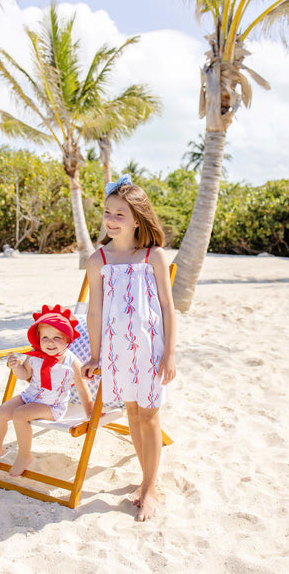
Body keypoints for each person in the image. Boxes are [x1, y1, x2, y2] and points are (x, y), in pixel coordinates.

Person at [81, 174, 177, 521]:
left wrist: (170, 353)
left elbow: (167, 307)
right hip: (117, 351)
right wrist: (94, 354)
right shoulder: (98, 260)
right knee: (133, 413)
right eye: (108, 212)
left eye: (120, 214)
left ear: (138, 218)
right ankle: (145, 478)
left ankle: (149, 488)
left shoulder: (153, 256)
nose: (111, 219)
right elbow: (95, 310)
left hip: (150, 349)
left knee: (149, 414)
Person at [0, 304, 93, 477]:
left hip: (52, 406)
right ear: (38, 338)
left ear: (67, 339)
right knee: (1, 412)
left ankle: (24, 455)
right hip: (30, 397)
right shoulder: (35, 356)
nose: (50, 342)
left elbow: (82, 390)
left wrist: (91, 414)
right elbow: (24, 375)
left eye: (57, 337)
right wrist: (16, 367)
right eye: (45, 337)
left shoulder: (71, 362)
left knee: (20, 414)